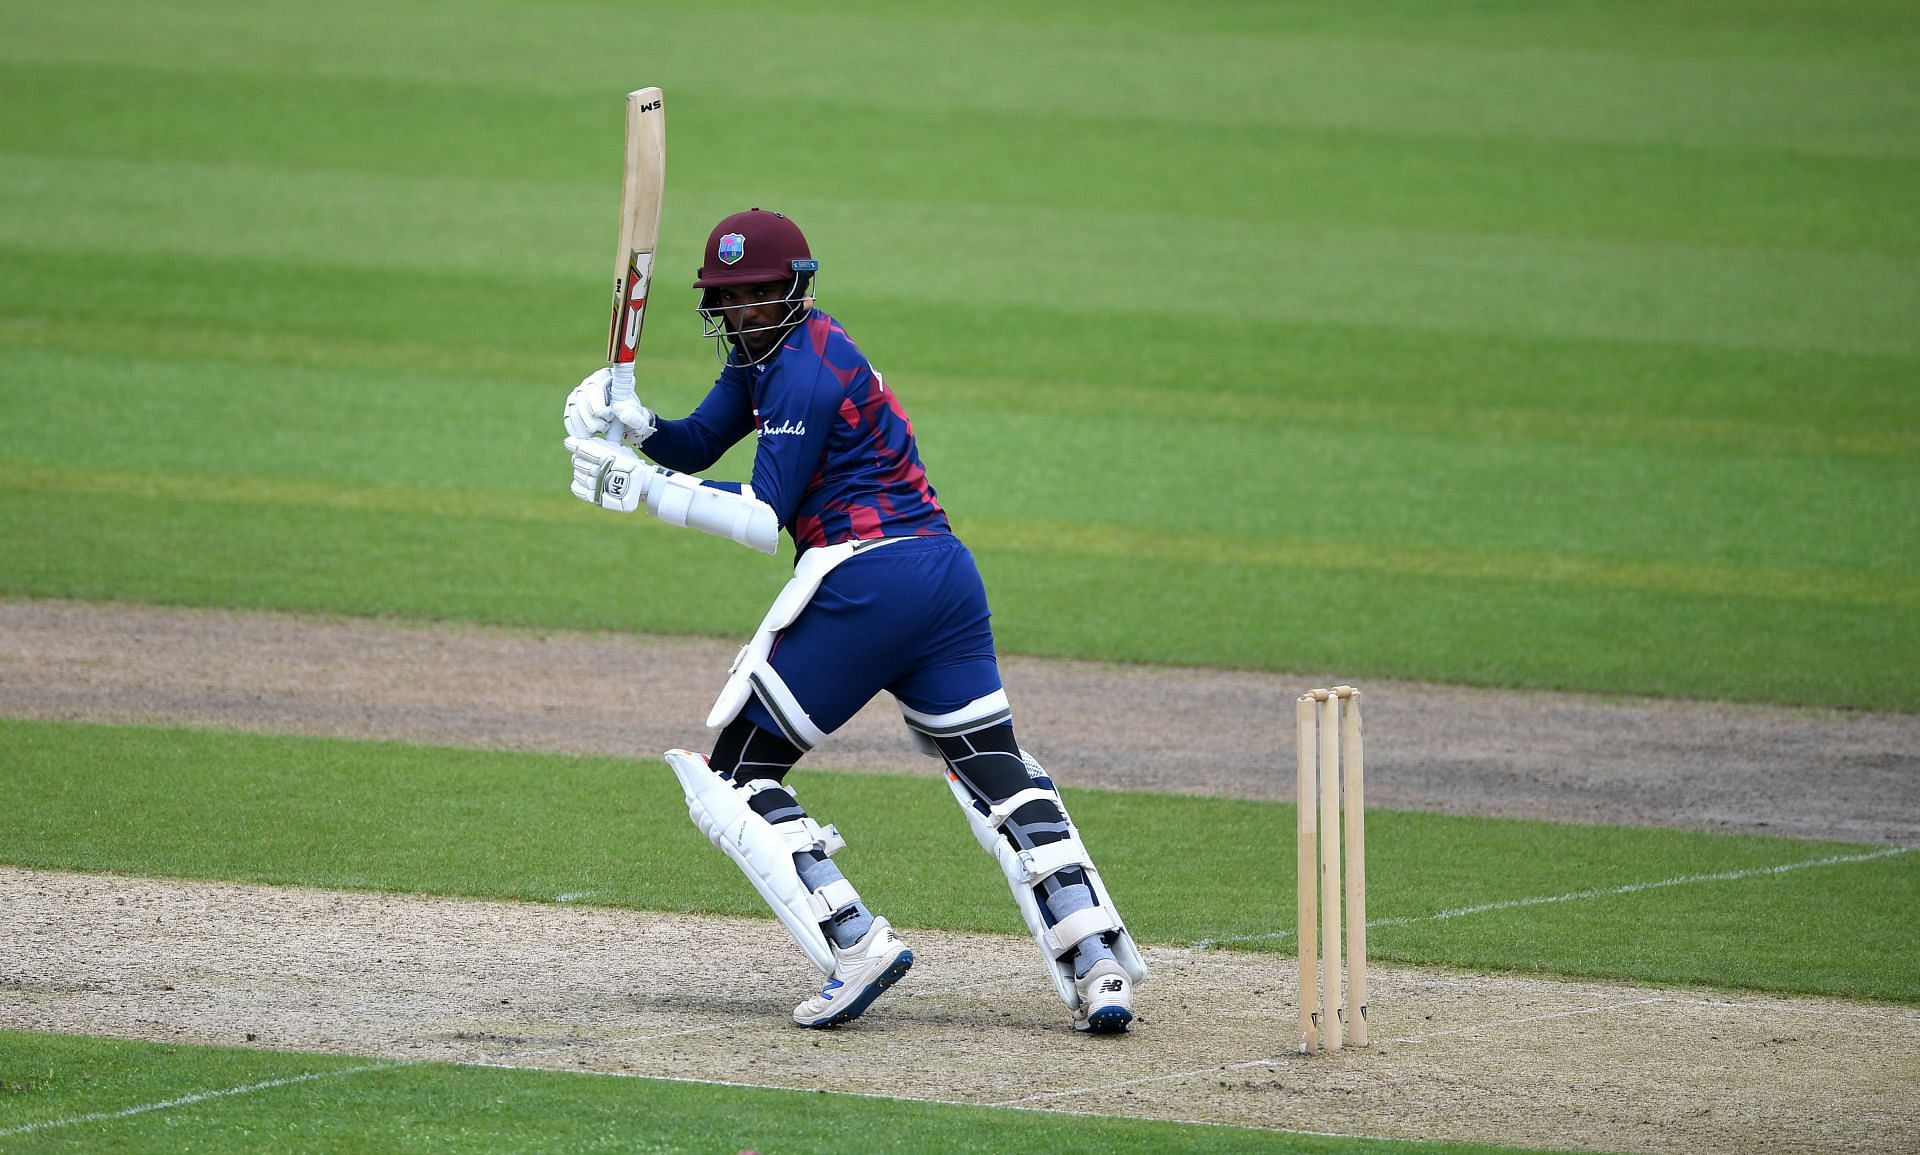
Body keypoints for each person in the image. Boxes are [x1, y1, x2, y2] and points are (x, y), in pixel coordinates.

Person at [562, 208, 1146, 1032]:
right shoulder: (768, 354)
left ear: (796, 289)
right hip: (944, 579)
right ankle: (1098, 966)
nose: (746, 311)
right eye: (731, 297)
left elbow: (765, 515)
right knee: (995, 770)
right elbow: (698, 443)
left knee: (735, 773)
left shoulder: (800, 370)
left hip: (868, 580)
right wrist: (638, 422)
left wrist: (636, 487)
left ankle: (854, 940)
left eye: (762, 294)